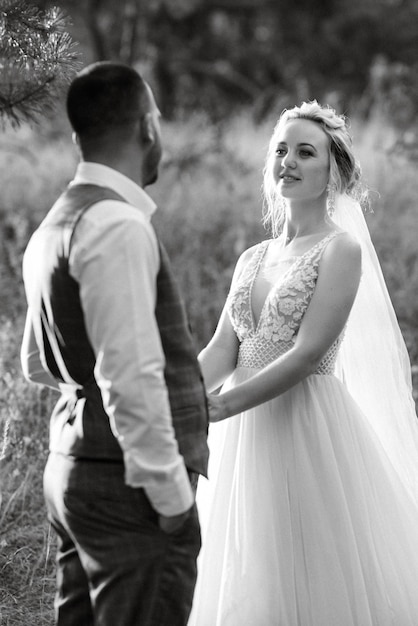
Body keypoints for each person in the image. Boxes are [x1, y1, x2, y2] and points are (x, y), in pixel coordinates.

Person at [188, 101, 418, 625]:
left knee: (309, 560)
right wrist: (181, 395)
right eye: (280, 150)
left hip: (304, 422)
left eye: (305, 152)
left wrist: (222, 407)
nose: (288, 161)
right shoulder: (253, 257)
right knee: (250, 560)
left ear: (332, 170)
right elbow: (224, 348)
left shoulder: (341, 250)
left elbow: (308, 352)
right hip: (241, 429)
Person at [20, 61, 209, 626]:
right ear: (147, 127)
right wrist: (171, 496)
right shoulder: (116, 224)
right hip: (129, 487)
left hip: (73, 469)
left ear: (79, 137)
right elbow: (128, 376)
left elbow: (36, 363)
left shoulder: (54, 224)